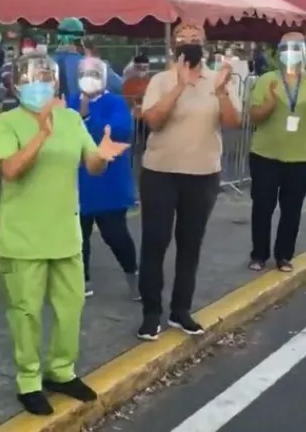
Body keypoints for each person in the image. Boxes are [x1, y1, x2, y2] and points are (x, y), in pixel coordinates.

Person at [0, 51, 129, 416]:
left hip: (65, 234)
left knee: (70, 309)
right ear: (17, 84)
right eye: (32, 78)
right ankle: (29, 380)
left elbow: (90, 164)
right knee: (26, 314)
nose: (40, 84)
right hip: (24, 238)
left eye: (46, 77)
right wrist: (42, 134)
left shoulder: (71, 119)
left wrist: (103, 156)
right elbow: (11, 170)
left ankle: (61, 371)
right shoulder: (6, 123)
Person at [137, 22, 242, 341]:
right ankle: (151, 313)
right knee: (155, 242)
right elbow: (153, 121)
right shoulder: (161, 80)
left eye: (196, 38)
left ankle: (180, 310)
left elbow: (233, 122)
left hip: (202, 175)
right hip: (160, 173)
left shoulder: (218, 79)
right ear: (173, 46)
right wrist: (179, 87)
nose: (189, 42)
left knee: (190, 244)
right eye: (183, 38)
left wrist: (222, 91)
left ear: (205, 44)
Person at [66, 57, 138, 299]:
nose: (89, 79)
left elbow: (120, 130)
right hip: (78, 181)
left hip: (109, 181)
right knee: (79, 236)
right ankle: (81, 279)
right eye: (85, 74)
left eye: (94, 74)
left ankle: (133, 274)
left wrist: (87, 119)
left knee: (115, 234)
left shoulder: (115, 102)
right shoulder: (71, 101)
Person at [247, 33, 306, 273]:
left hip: (299, 158)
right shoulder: (267, 80)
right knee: (263, 205)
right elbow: (254, 116)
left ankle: (284, 256)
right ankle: (259, 254)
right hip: (265, 156)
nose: (291, 52)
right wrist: (269, 105)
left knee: (292, 209)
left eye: (297, 47)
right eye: (286, 47)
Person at [53, 17, 122, 99]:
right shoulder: (95, 66)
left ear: (58, 36)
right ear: (81, 37)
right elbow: (121, 87)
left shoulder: (45, 64)